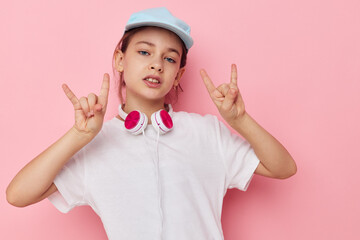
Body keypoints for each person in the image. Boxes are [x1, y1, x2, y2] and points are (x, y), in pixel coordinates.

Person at [6, 7, 296, 240]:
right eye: (144, 52)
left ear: (178, 76)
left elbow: (284, 167)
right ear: (120, 60)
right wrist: (78, 136)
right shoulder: (95, 145)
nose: (157, 64)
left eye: (170, 59)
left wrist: (239, 120)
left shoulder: (207, 133)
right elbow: (17, 195)